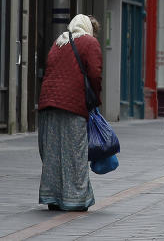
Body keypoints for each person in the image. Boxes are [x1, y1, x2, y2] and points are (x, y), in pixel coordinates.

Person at [38, 14, 102, 212]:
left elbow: (49, 68)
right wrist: (95, 100)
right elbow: (95, 74)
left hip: (48, 103)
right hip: (73, 105)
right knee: (75, 153)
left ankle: (53, 197)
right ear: (89, 29)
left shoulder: (59, 41)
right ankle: (76, 199)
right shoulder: (90, 43)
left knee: (53, 153)